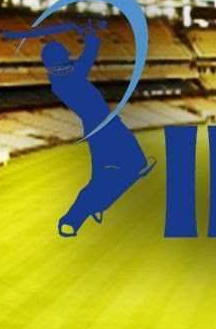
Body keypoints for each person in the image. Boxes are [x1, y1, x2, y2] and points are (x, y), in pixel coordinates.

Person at [42, 22, 154, 236]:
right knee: (135, 165)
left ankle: (77, 216)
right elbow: (86, 59)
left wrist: (89, 36)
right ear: (59, 62)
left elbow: (79, 63)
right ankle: (87, 210)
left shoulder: (61, 78)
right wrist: (90, 37)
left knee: (107, 176)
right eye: (65, 58)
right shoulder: (66, 79)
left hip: (101, 126)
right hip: (104, 128)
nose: (68, 60)